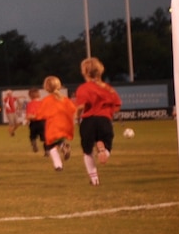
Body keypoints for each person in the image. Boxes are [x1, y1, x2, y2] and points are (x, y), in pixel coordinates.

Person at [70, 57, 123, 186]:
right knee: (107, 146)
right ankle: (103, 151)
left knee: (87, 152)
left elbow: (81, 106)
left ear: (85, 72)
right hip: (104, 120)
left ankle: (94, 180)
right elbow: (117, 105)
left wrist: (76, 117)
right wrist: (108, 112)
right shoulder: (108, 88)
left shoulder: (84, 88)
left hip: (88, 121)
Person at [38, 76, 78, 172]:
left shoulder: (46, 100)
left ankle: (58, 165)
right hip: (63, 126)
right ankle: (63, 146)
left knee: (50, 146)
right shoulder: (64, 99)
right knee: (58, 141)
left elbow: (40, 115)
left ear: (46, 88)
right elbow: (74, 110)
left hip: (52, 127)